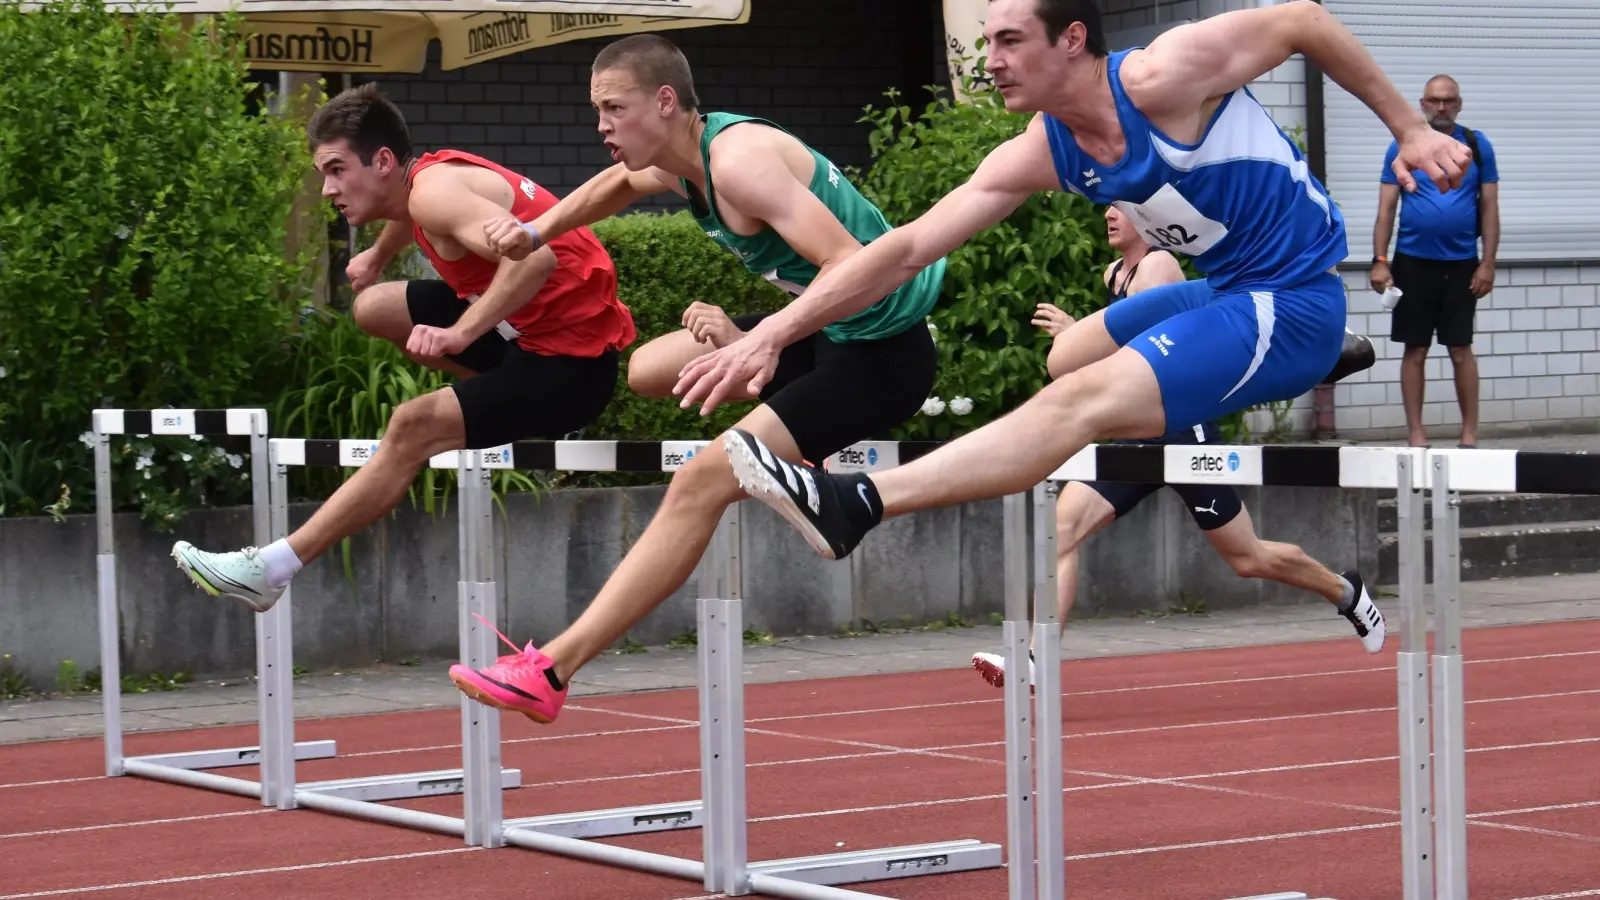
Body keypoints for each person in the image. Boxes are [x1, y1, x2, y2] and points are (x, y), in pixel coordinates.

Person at [692, 0, 1467, 615]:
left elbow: (1303, 19)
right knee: (1067, 356)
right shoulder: (1047, 148)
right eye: (986, 42)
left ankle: (858, 501)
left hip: (1292, 300)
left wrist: (1408, 128)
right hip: (1228, 286)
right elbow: (906, 250)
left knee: (1082, 399)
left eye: (1008, 40)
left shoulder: (1163, 77)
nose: (989, 61)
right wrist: (777, 331)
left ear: (1071, 40)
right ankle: (1308, 359)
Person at [445, 34, 947, 724]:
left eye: (614, 108)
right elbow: (616, 186)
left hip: (881, 351)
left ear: (664, 101)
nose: (601, 126)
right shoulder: (682, 164)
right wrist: (537, 232)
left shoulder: (739, 164)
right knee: (650, 368)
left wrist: (766, 339)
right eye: (596, 111)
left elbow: (850, 264)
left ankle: (551, 669)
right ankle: (794, 430)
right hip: (824, 331)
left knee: (700, 482)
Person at [170, 83, 636, 613]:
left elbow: (534, 259)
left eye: (336, 170)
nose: (326, 189)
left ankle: (270, 571)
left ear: (383, 161)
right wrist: (375, 257)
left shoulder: (433, 195)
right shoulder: (422, 183)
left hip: (573, 367)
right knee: (375, 307)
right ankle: (497, 398)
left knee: (412, 425)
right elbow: (406, 213)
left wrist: (461, 334)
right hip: (529, 333)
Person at [970, 206, 1384, 690]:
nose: (1109, 214)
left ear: (1147, 218)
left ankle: (1345, 592)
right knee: (1061, 529)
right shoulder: (1114, 273)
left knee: (1248, 558)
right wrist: (1080, 338)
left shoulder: (1160, 265)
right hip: (1136, 432)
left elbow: (1157, 354)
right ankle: (1036, 656)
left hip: (1183, 429)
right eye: (1108, 206)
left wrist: (1075, 334)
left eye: (1121, 207)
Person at [1370, 74, 1499, 449]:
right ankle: (1416, 435)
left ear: (1459, 105)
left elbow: (1490, 207)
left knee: (1461, 349)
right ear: (1423, 104)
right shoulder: (1403, 146)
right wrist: (1380, 260)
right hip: (1412, 263)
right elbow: (1386, 209)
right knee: (1415, 349)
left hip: (1462, 264)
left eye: (1448, 101)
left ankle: (1469, 435)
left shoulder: (1477, 145)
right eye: (1434, 100)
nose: (1441, 107)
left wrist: (1487, 263)